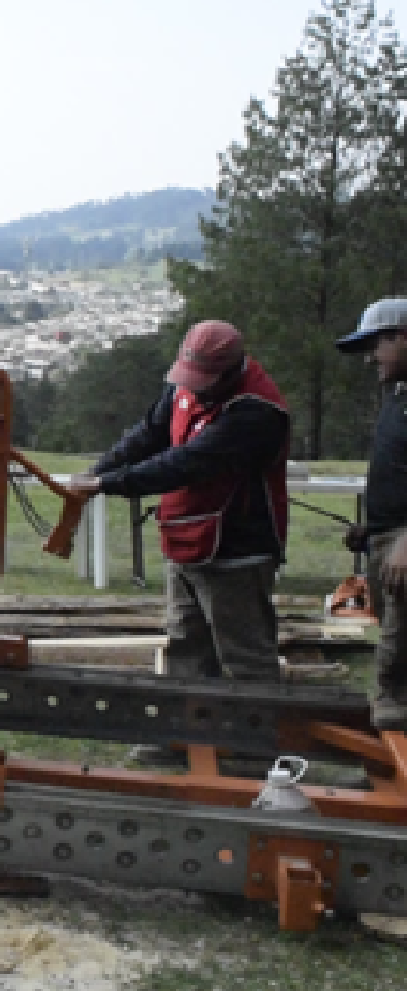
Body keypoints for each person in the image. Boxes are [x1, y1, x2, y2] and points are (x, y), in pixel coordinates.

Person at [70, 321, 291, 761]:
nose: (195, 390)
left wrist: (107, 485)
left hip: (237, 550)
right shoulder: (185, 390)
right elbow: (149, 433)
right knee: (185, 644)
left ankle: (257, 750)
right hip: (187, 538)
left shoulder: (257, 412)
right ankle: (182, 736)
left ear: (231, 372)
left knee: (244, 656)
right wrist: (100, 468)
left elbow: (185, 463)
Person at [336, 297, 407, 731]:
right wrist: (374, 529)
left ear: (403, 337)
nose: (370, 359)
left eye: (376, 345)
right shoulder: (397, 396)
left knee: (399, 646)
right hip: (389, 537)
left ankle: (390, 729)